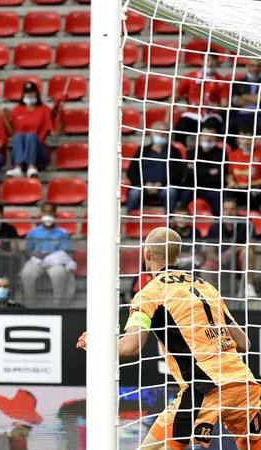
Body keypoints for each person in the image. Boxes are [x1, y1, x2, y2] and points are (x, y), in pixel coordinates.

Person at [76, 227, 261, 450]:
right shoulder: (207, 288)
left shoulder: (150, 293)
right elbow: (243, 343)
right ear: (177, 255)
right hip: (245, 385)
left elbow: (130, 347)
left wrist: (95, 343)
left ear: (147, 254)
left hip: (204, 388)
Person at [20, 204, 75, 304]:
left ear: (55, 214)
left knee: (59, 273)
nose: (48, 214)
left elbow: (65, 251)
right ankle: (30, 302)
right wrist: (34, 254)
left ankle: (57, 303)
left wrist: (48, 255)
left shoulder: (62, 233)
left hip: (55, 262)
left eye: (50, 212)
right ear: (41, 214)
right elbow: (28, 249)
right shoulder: (33, 232)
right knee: (27, 274)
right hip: (37, 260)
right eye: (45, 212)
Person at [126, 121, 185, 214]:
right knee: (134, 193)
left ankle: (169, 224)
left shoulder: (174, 152)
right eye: (158, 131)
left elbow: (178, 173)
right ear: (152, 133)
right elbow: (131, 172)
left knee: (171, 192)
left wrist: (161, 183)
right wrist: (145, 184)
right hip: (143, 187)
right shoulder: (142, 151)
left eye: (165, 131)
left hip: (164, 187)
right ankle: (130, 223)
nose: (161, 134)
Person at [172, 53, 228, 147]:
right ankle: (180, 154)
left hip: (211, 114)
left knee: (212, 127)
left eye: (213, 60)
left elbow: (224, 106)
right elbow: (174, 99)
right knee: (180, 127)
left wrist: (216, 107)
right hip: (192, 114)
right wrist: (167, 120)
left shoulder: (222, 81)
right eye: (208, 60)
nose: (210, 63)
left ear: (217, 62)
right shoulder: (189, 77)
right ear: (202, 61)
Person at [175, 118, 227, 216]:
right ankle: (179, 223)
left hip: (213, 188)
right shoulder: (191, 152)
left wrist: (197, 170)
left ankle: (217, 226)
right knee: (184, 195)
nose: (208, 138)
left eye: (211, 135)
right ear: (200, 137)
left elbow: (220, 175)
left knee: (218, 197)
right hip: (193, 187)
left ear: (217, 138)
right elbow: (188, 173)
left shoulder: (221, 154)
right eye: (205, 135)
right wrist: (209, 172)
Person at [6, 81, 55, 178]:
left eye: (32, 92)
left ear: (37, 93)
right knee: (18, 135)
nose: (30, 95)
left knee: (31, 135)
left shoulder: (45, 109)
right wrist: (5, 119)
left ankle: (31, 166)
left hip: (39, 151)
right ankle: (18, 167)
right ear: (23, 94)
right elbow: (11, 132)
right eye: (27, 92)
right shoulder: (17, 110)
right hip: (20, 151)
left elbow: (55, 130)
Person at [226, 125, 261, 211]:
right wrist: (231, 181)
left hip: (254, 187)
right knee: (226, 192)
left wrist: (247, 185)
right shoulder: (233, 154)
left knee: (252, 194)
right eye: (243, 138)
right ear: (238, 139)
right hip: (237, 187)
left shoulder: (259, 153)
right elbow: (229, 173)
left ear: (254, 139)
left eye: (249, 138)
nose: (245, 141)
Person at [228, 59, 261, 138]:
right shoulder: (238, 82)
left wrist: (244, 97)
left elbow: (240, 99)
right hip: (241, 115)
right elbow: (236, 101)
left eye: (258, 66)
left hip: (259, 114)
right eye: (252, 66)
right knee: (228, 125)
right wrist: (257, 98)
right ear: (247, 66)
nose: (255, 69)